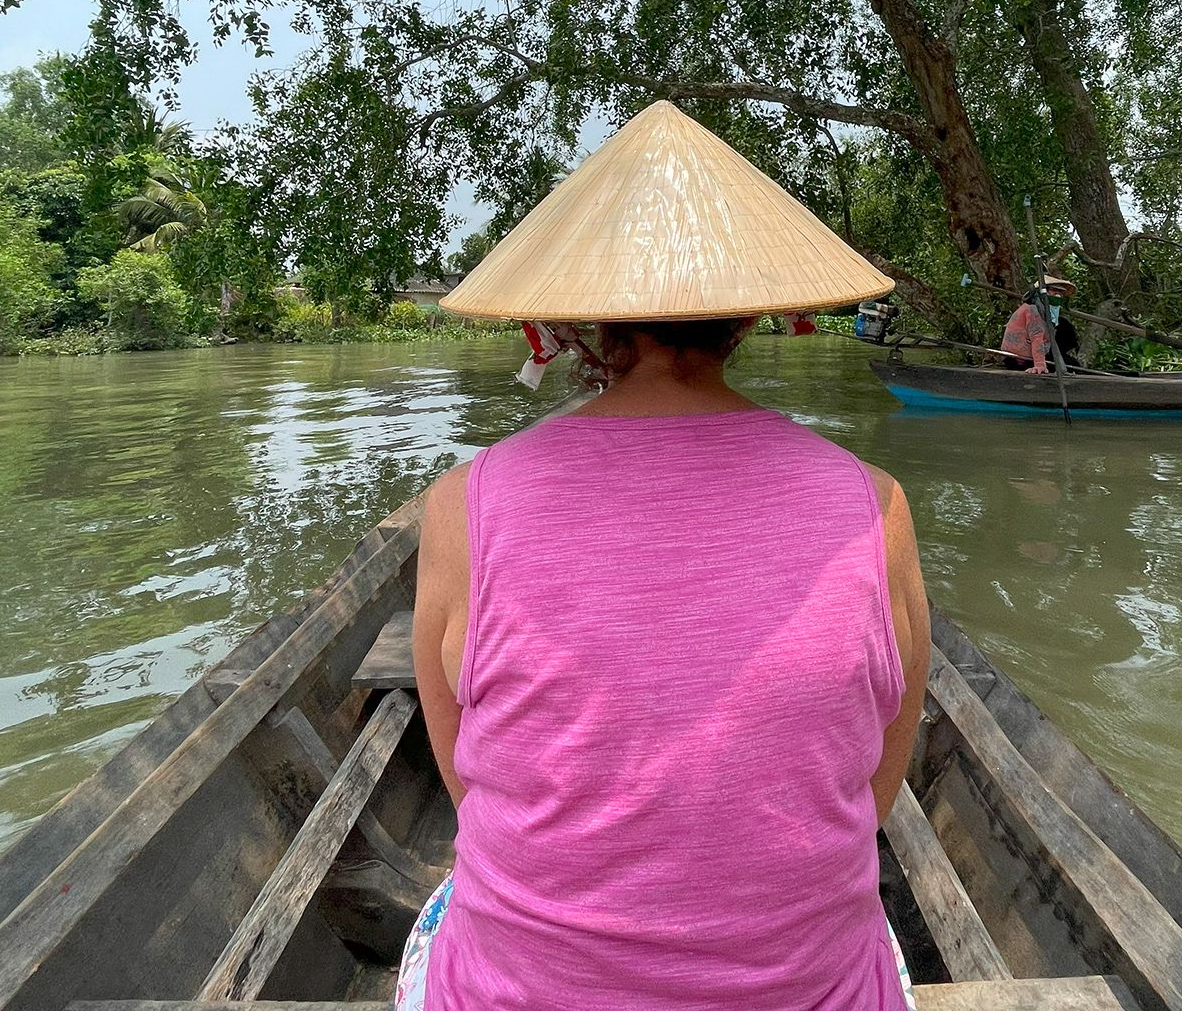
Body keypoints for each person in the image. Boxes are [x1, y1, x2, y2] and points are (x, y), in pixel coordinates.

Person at [399, 101, 933, 1010]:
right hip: (812, 992)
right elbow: (882, 765)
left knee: (448, 902)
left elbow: (461, 774)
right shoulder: (873, 504)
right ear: (748, 317)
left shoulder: (463, 504)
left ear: (585, 324)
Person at [999, 276, 1080, 373]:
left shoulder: (1046, 312)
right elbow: (1037, 338)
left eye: (1060, 292)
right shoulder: (1033, 310)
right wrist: (1040, 365)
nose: (1057, 295)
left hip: (1030, 356)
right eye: (1054, 290)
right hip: (1019, 359)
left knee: (1071, 364)